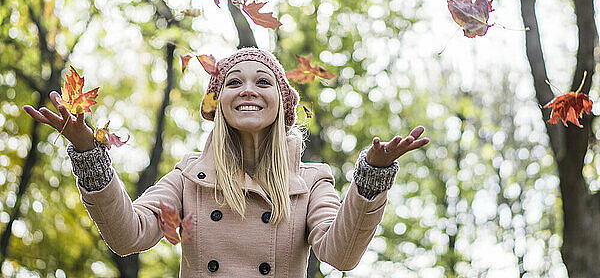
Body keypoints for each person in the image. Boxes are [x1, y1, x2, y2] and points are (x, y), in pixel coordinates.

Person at [24, 47, 429, 277]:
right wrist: (89, 154)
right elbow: (128, 234)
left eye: (262, 81)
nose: (247, 90)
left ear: (282, 106)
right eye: (234, 82)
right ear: (219, 105)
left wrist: (372, 176)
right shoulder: (189, 177)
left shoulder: (309, 183)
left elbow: (341, 254)